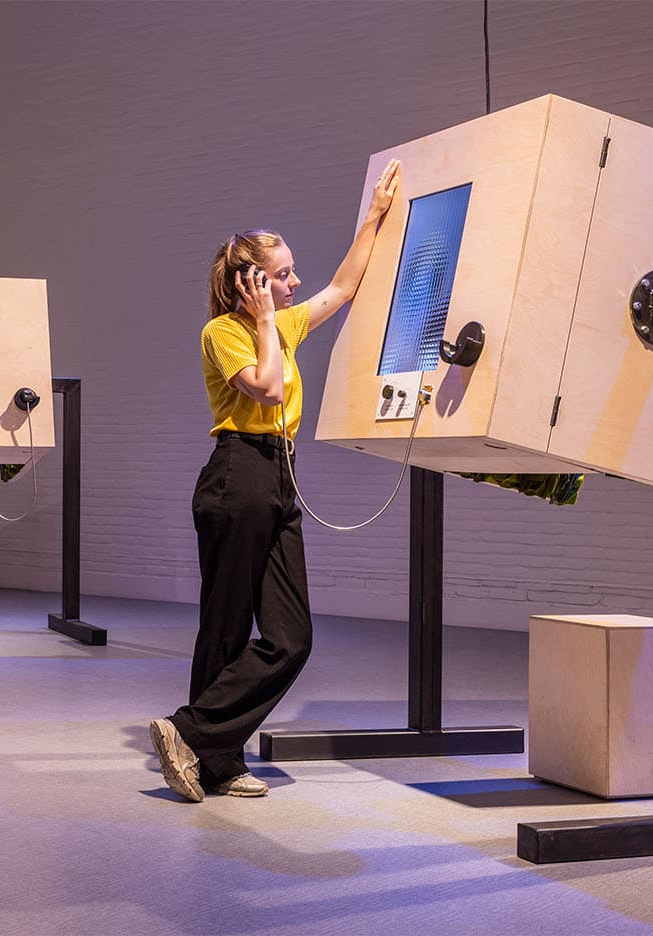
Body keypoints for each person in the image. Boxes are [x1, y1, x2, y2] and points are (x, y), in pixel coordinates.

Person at [150, 160, 402, 801]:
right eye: (282, 274)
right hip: (238, 474)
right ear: (252, 285)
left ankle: (192, 733)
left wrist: (373, 214)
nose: (295, 283)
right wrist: (264, 321)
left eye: (291, 272)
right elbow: (263, 389)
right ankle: (217, 758)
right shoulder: (223, 333)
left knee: (291, 638)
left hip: (279, 477)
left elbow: (344, 287)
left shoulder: (280, 325)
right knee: (226, 626)